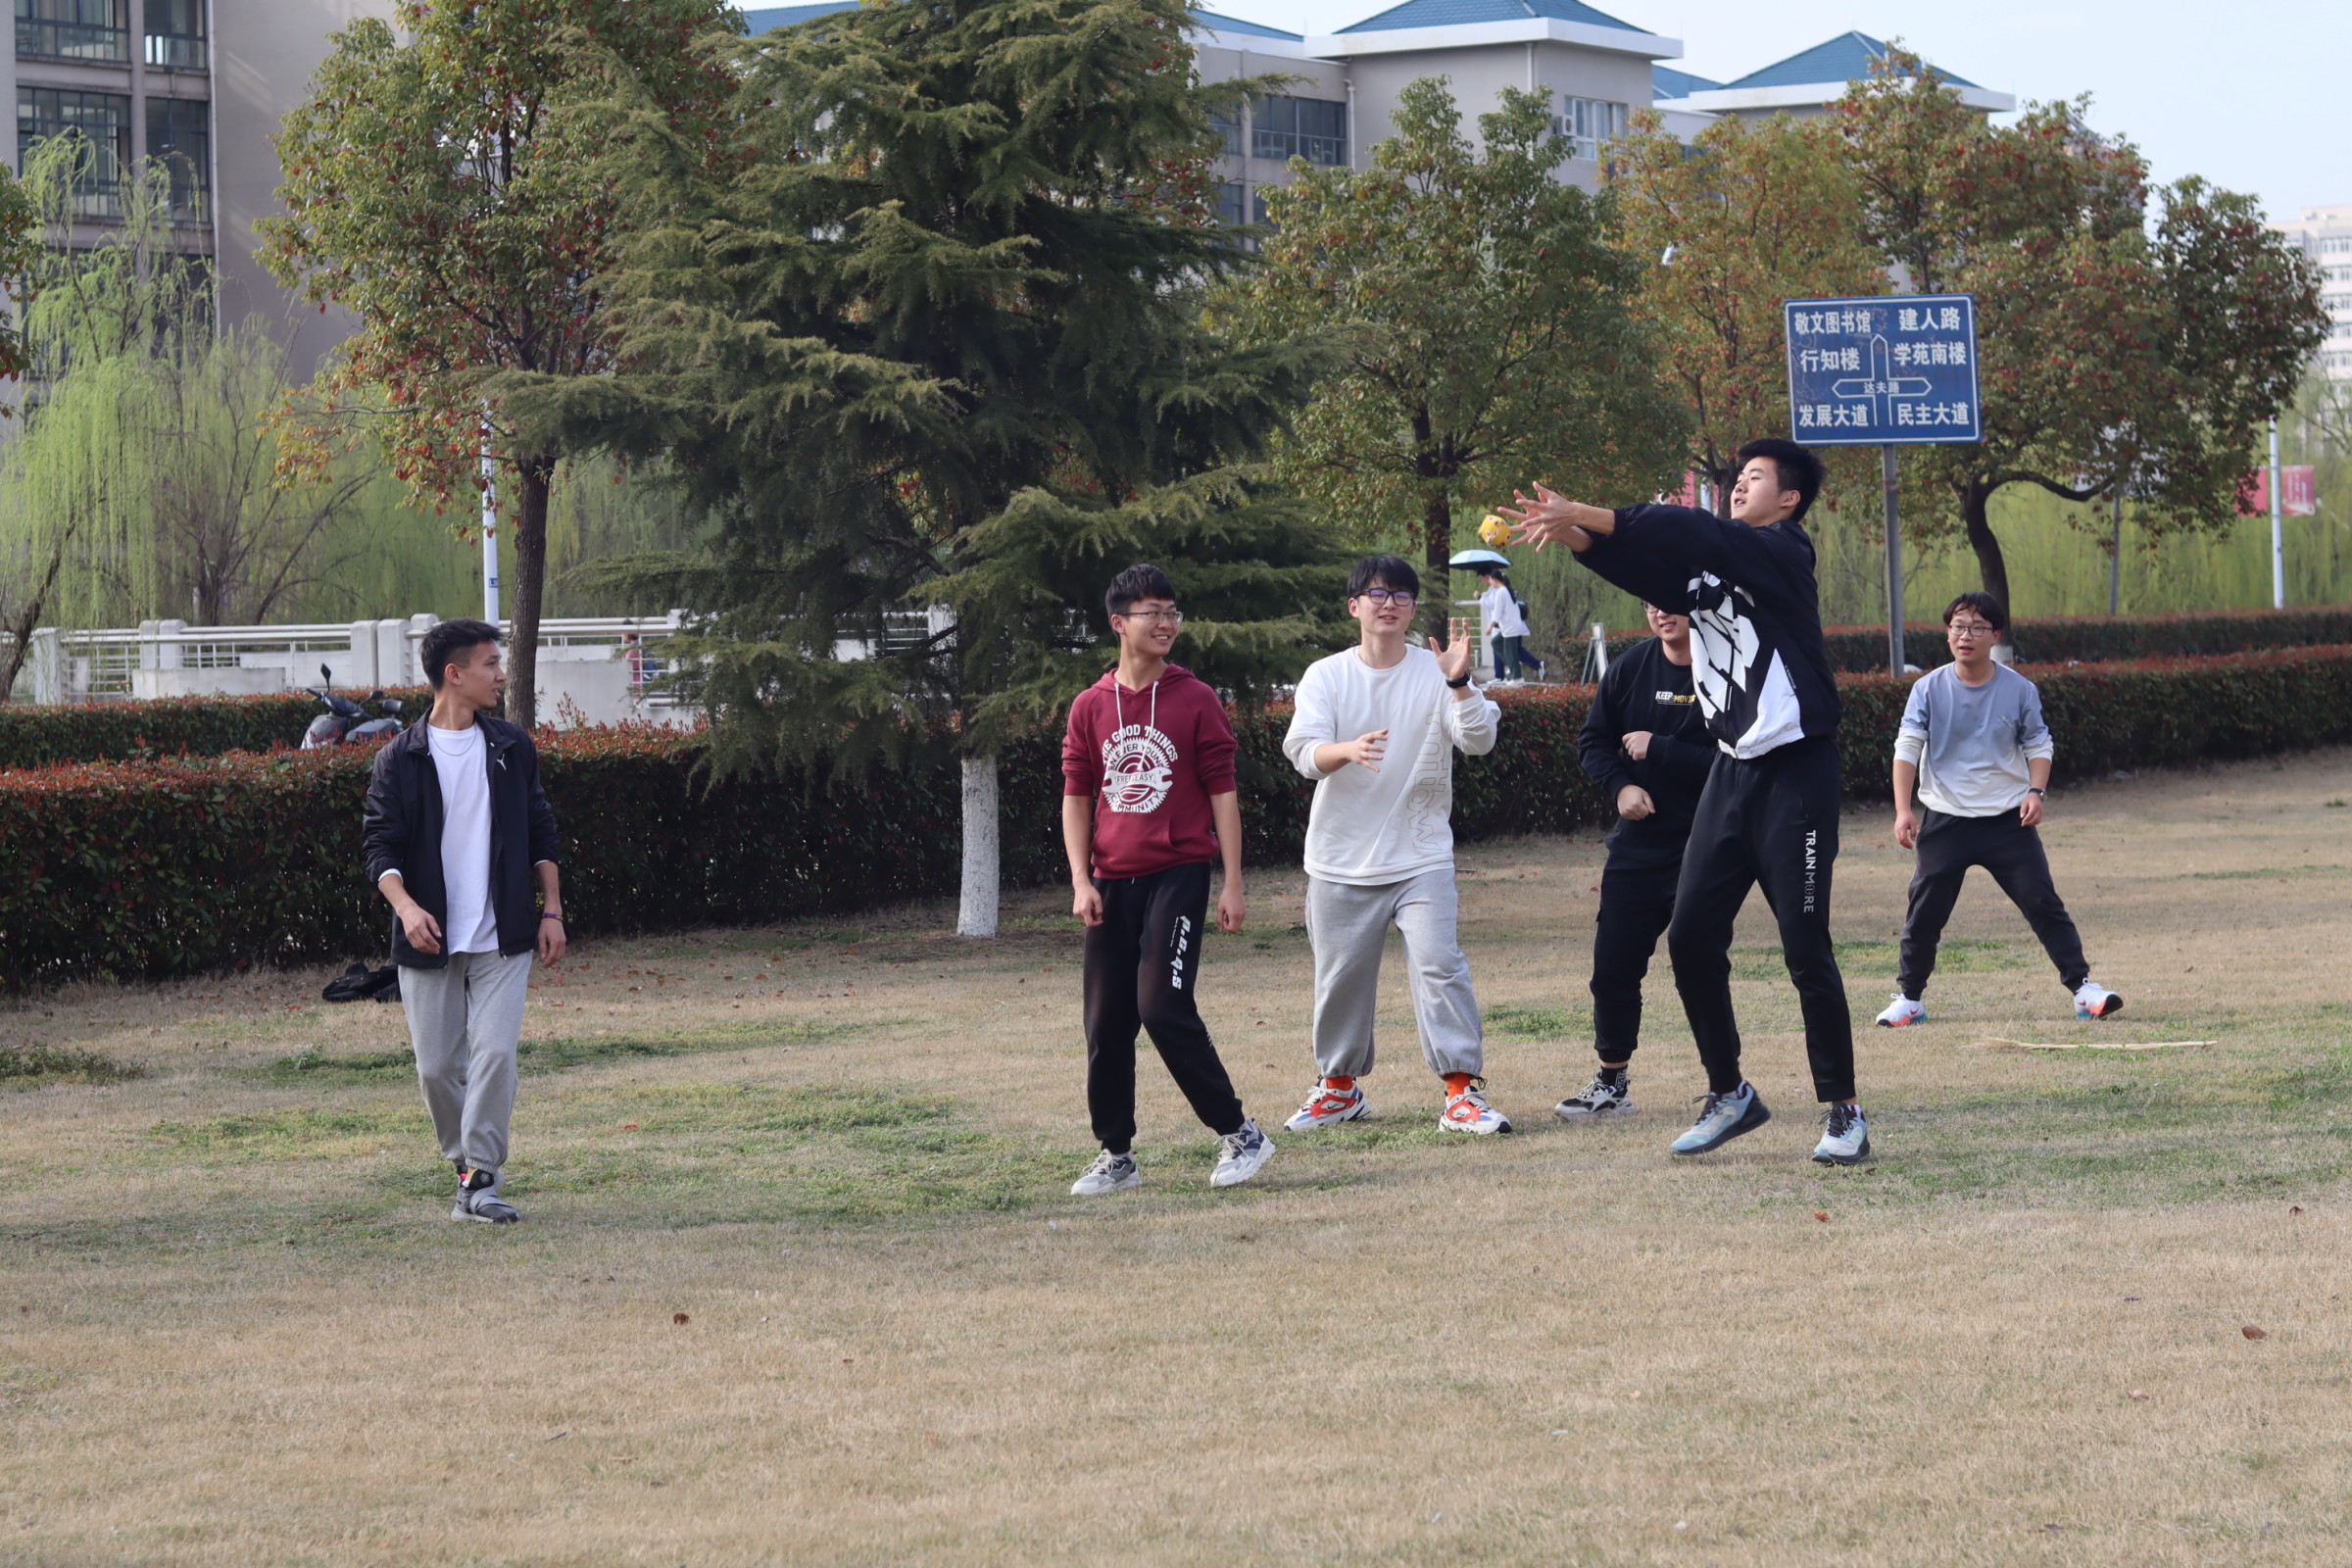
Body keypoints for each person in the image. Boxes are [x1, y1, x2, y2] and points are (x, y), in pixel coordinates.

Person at [1500, 439, 1870, 1165]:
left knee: (1805, 948)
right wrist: (1575, 533)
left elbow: (1696, 531)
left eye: (1755, 478)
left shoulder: (1784, 551)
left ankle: (1844, 1110)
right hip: (1732, 775)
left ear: (1789, 499)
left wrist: (1593, 512)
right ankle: (1730, 1092)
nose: (1739, 487)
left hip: (1797, 774)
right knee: (1691, 938)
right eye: (1736, 479)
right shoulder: (1709, 573)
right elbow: (1646, 568)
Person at [1060, 564, 1275, 1196]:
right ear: (1118, 622)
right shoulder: (1090, 706)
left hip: (1178, 873)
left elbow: (1223, 794)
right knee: (1106, 1022)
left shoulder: (1195, 698)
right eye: (1151, 613)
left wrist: (1232, 881)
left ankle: (1240, 1133)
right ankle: (1117, 1155)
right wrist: (1080, 880)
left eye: (1171, 613)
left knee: (1162, 1007)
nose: (1165, 623)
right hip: (1110, 880)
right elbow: (1077, 796)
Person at [1280, 555, 1511, 1136]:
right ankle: (1339, 1090)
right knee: (1340, 980)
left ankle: (1461, 1093)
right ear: (1354, 606)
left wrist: (1458, 683)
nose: (1389, 604)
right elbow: (1304, 753)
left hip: (1420, 854)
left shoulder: (1437, 671)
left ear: (1412, 609)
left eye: (1402, 595)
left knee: (1439, 966)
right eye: (1377, 594)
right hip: (1339, 857)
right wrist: (1348, 750)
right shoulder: (1326, 675)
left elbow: (1478, 741)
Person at [362, 618, 566, 1223]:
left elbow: (541, 831)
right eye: (490, 664)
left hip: (504, 935)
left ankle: (479, 1180)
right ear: (454, 674)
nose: (501, 675)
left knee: (496, 1055)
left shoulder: (512, 748)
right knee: (436, 1071)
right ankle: (468, 1173)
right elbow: (379, 849)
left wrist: (551, 908)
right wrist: (407, 908)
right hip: (428, 940)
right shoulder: (399, 759)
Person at [1877, 592, 2123, 1028]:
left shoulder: (2019, 689)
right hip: (1945, 819)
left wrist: (2036, 792)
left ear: (1995, 635)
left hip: (2008, 821)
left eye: (1976, 628)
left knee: (2043, 904)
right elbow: (1907, 749)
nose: (1965, 636)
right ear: (1947, 633)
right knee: (1924, 914)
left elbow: (2039, 744)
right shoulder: (1927, 689)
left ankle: (2085, 991)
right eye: (1957, 627)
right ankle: (1909, 999)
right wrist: (1902, 810)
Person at [1556, 602, 1712, 1120]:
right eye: (1651, 603)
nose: (1661, 612)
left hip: (1710, 844)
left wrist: (1660, 748)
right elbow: (1593, 741)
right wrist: (1621, 785)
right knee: (1614, 966)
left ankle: (1725, 1087)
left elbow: (1742, 759)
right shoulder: (1630, 668)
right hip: (1639, 844)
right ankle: (1612, 1083)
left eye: (1671, 602)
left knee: (1700, 966)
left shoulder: (1726, 668)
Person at [1477, 566, 1542, 685]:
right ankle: (1512, 668)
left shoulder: (1501, 592)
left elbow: (1497, 612)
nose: (1490, 582)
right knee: (1496, 643)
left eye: (1490, 580)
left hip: (1510, 628)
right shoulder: (1507, 590)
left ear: (1495, 579)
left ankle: (1517, 678)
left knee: (1510, 652)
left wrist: (1490, 626)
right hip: (1511, 627)